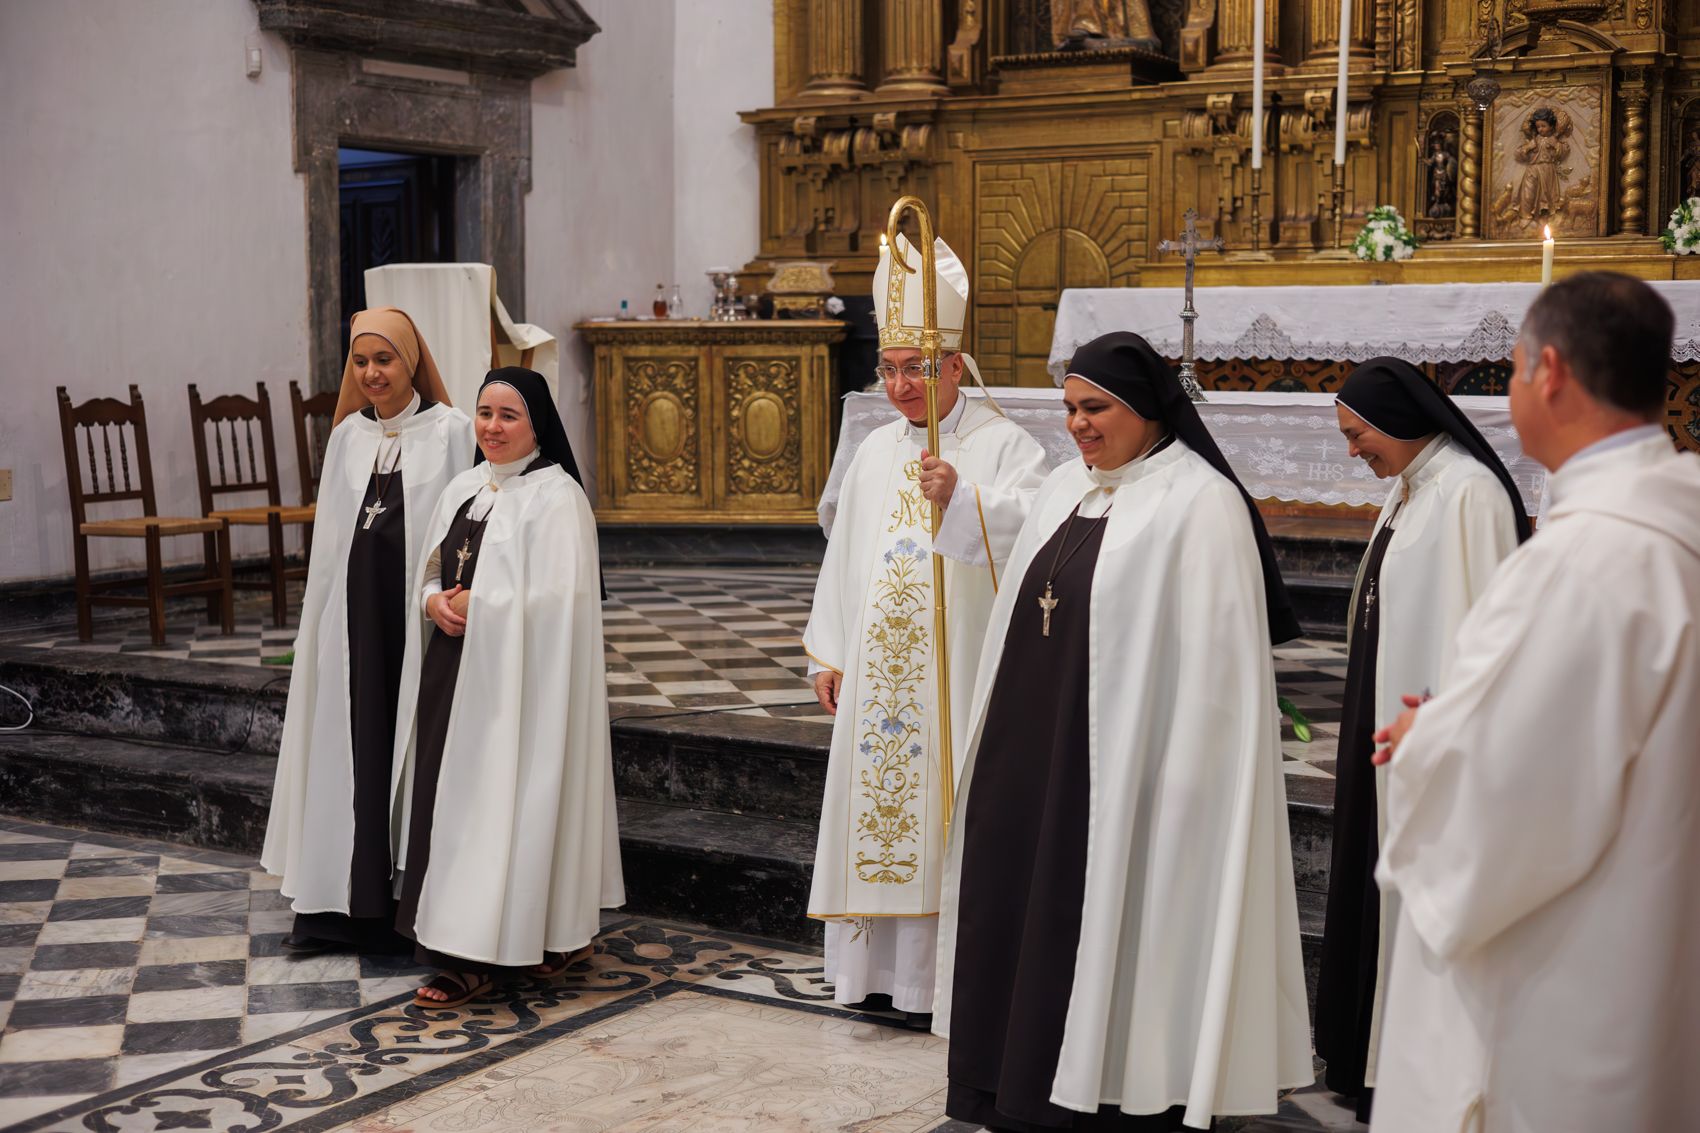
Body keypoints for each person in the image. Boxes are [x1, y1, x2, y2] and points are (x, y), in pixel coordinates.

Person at [936, 332, 1312, 1132]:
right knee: (1014, 911)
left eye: (1096, 408)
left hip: (1125, 768)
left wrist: (1181, 780)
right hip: (1031, 753)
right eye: (1070, 408)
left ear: (1145, 409)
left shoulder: (1200, 502)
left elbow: (1218, 675)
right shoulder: (1063, 487)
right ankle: (1010, 1089)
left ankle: (1106, 1101)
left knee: (1103, 921)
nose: (1078, 424)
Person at [1369, 273, 1700, 1133]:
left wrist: (1423, 738)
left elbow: (1505, 806)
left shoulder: (1583, 564)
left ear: (1548, 371)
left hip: (1569, 985)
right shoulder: (1676, 530)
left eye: (1512, 368)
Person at [805, 231, 1049, 1024]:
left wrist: (965, 499)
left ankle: (936, 981)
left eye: (915, 367)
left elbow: (1040, 535)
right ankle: (874, 974)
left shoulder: (1005, 446)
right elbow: (846, 557)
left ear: (954, 365)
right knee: (879, 811)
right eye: (888, 368)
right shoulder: (875, 450)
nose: (900, 385)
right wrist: (830, 653)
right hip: (877, 684)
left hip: (960, 670)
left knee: (947, 813)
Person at [1312, 358, 1530, 1120]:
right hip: (1381, 717)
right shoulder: (1409, 487)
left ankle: (1404, 1071)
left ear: (1397, 420)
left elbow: (1490, 621)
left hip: (1433, 727)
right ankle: (1361, 1055)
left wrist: (1449, 719)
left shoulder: (1469, 491)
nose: (1353, 451)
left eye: (1358, 434)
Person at [390, 368, 624, 1008]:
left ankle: (518, 942)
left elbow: (562, 600)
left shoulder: (558, 497)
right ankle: (457, 944)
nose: (492, 427)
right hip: (452, 669)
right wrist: (434, 601)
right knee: (453, 802)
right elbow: (431, 567)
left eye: (508, 415)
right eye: (485, 413)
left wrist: (483, 603)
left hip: (521, 688)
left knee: (505, 803)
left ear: (536, 424)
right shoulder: (464, 488)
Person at [263, 308, 475, 954]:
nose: (372, 373)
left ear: (411, 361)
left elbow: (462, 530)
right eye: (360, 361)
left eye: (384, 359)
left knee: (408, 750)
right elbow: (329, 545)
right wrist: (319, 627)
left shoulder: (452, 431)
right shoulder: (348, 437)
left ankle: (405, 905)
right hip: (351, 625)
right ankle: (337, 906)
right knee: (347, 750)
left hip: (414, 622)